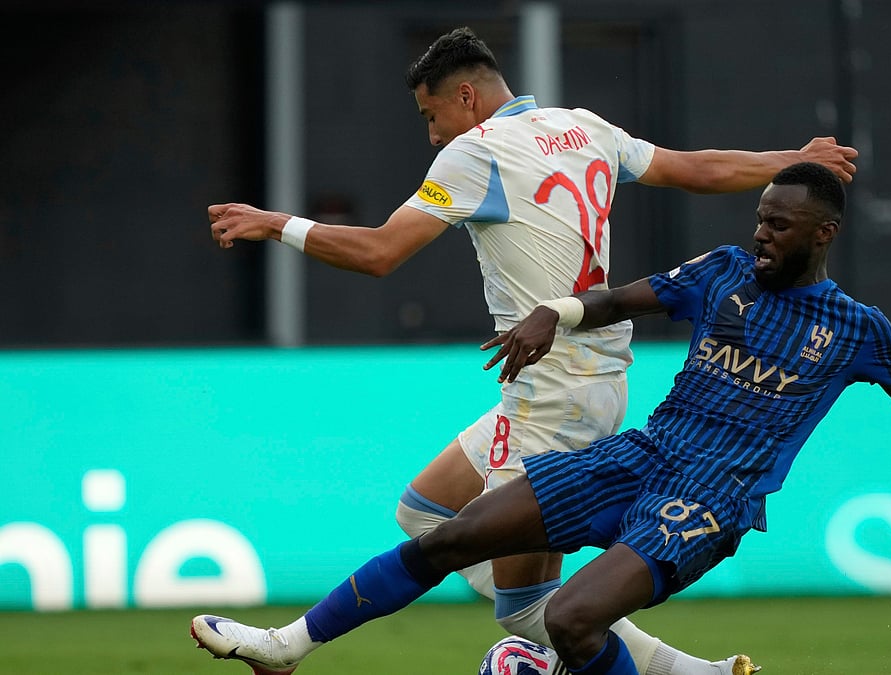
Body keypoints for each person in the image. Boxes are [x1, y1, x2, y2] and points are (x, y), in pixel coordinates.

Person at [191, 162, 891, 675]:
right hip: (643, 453)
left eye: (780, 225)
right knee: (450, 535)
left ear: (822, 233)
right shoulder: (722, 273)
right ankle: (287, 645)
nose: (762, 234)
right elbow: (630, 293)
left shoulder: (858, 331)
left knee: (570, 622)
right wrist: (561, 311)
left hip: (710, 497)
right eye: (759, 219)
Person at [206, 25, 855, 675]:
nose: (432, 135)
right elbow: (696, 168)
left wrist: (274, 224)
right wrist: (789, 160)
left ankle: (288, 646)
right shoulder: (584, 128)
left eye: (432, 117)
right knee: (425, 509)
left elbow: (379, 251)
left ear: (466, 96)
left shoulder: (476, 153)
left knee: (523, 609)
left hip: (552, 394)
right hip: (586, 382)